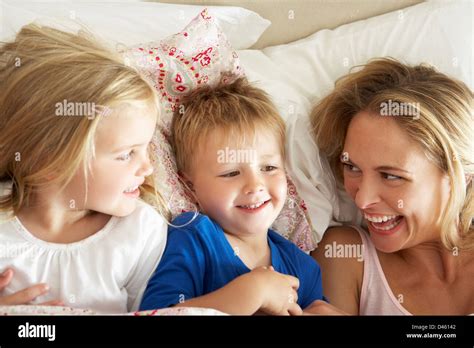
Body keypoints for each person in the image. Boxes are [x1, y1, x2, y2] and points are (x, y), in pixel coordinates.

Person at [0, 24, 169, 313]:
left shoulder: (140, 231)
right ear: (50, 162)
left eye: (145, 147)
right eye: (127, 154)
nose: (148, 167)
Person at [139, 77, 326, 315]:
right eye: (231, 173)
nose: (255, 185)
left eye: (269, 168)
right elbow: (158, 312)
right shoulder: (194, 239)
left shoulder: (304, 268)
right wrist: (253, 291)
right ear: (189, 185)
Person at [310, 58, 474, 315]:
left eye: (390, 176)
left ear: (460, 176)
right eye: (352, 167)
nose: (363, 200)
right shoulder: (346, 258)